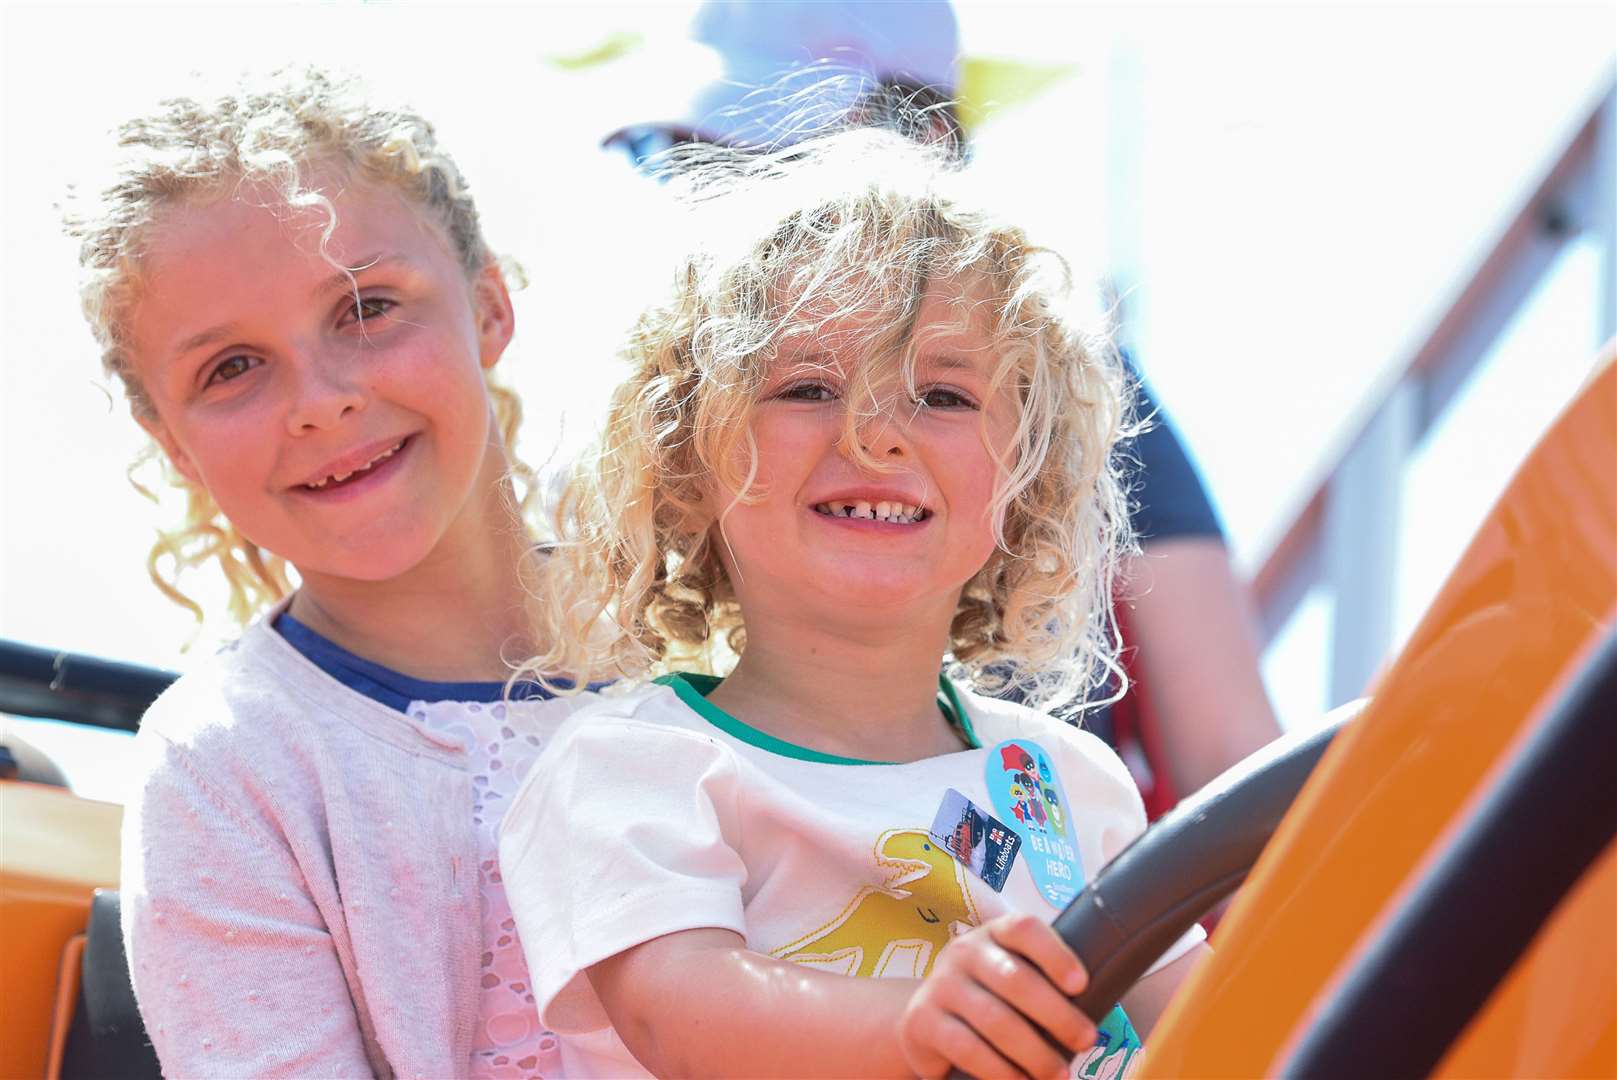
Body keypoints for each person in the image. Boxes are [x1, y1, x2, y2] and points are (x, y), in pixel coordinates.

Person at [499, 129, 1209, 1080]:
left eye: (943, 395)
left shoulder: (1066, 783)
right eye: (806, 386)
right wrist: (921, 1023)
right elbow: (682, 1014)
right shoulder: (637, 770)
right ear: (686, 466)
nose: (874, 434)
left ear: (1023, 480)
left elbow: (1229, 1032)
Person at [602, 0, 1280, 817]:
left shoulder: (1072, 389)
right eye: (676, 155)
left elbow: (1227, 752)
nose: (700, 191)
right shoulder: (622, 770)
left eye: (746, 153)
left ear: (919, 144)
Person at [64, 68, 595, 1077]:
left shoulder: (728, 629)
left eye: (366, 307)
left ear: (488, 306)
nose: (320, 401)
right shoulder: (226, 771)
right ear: (173, 444)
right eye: (231, 368)